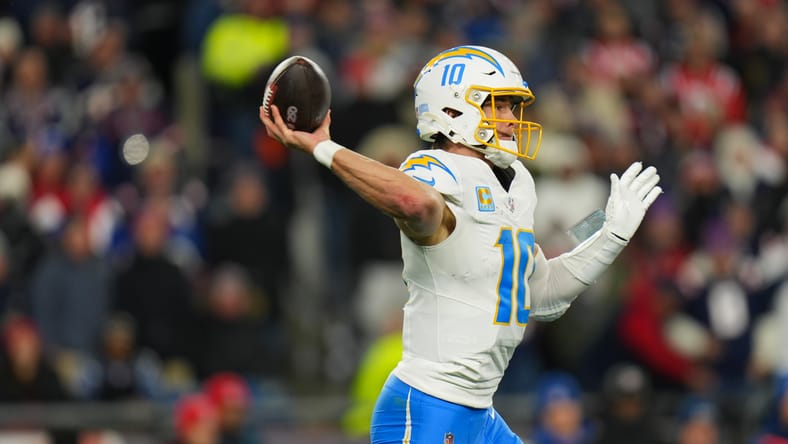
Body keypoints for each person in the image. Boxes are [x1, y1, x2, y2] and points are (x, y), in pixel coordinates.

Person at [260, 45, 662, 443]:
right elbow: (415, 202)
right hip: (430, 407)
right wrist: (323, 147)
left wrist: (612, 236)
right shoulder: (435, 168)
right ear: (452, 110)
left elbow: (543, 295)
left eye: (512, 106)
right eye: (498, 105)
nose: (511, 118)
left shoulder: (518, 182)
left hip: (478, 412)